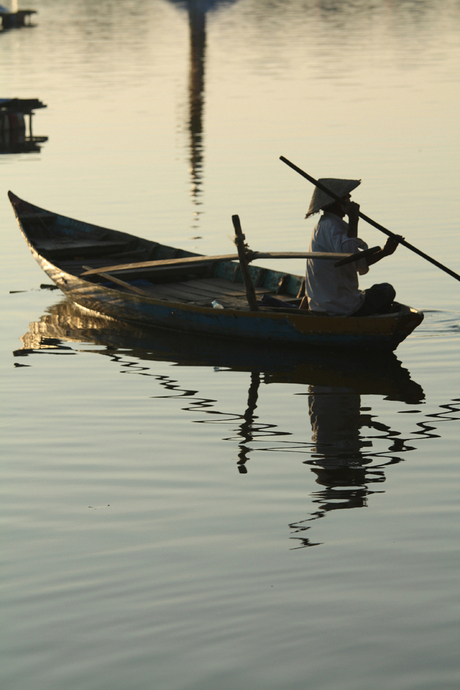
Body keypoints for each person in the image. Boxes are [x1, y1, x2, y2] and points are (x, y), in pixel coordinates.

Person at [300, 178, 401, 316]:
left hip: (326, 304)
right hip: (340, 307)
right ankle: (362, 318)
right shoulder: (331, 226)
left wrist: (384, 252)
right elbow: (349, 256)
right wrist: (354, 219)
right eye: (346, 196)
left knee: (380, 292)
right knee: (386, 290)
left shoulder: (326, 225)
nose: (350, 198)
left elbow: (356, 262)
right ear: (337, 202)